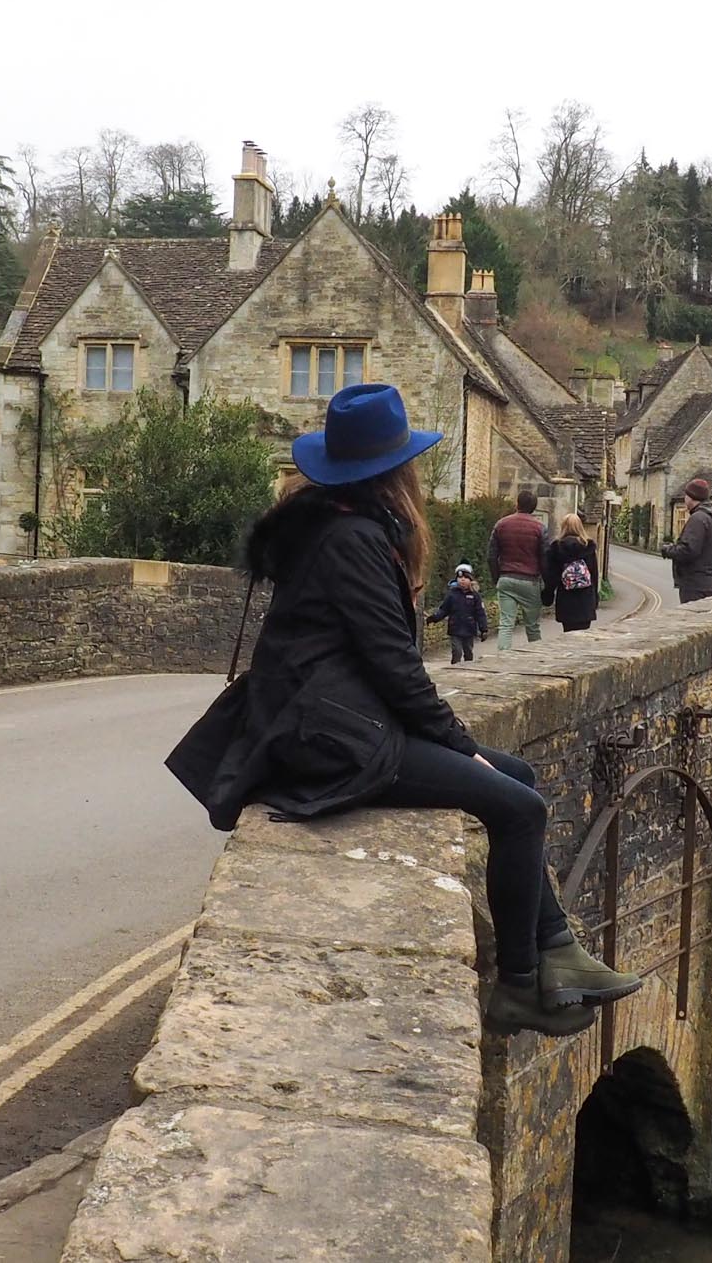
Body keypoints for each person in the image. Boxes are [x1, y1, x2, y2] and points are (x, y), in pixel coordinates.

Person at [166, 384, 639, 1038]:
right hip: (330, 736)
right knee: (518, 806)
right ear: (395, 471)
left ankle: (559, 953)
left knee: (519, 782)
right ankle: (522, 986)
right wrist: (458, 741)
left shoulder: (335, 525)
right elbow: (394, 666)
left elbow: (378, 663)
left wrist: (457, 744)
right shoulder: (354, 539)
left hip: (338, 719)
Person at [487, 489, 547, 649]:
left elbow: (491, 556)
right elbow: (544, 558)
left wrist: (497, 578)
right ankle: (537, 660)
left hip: (506, 578)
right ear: (534, 507)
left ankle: (503, 659)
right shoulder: (540, 527)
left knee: (506, 625)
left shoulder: (501, 524)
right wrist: (545, 583)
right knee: (533, 626)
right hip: (530, 581)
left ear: (517, 504)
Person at [660, 478, 712, 603]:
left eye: (686, 495)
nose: (684, 499)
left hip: (695, 585)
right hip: (709, 583)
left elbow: (688, 550)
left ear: (691, 497)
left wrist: (668, 550)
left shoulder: (698, 519)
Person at [544, 512, 600, 633]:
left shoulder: (556, 548)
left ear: (563, 527)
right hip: (585, 600)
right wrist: (595, 599)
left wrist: (547, 596)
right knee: (583, 637)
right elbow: (594, 575)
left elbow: (551, 576)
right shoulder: (588, 547)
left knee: (568, 635)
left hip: (566, 600)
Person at [427, 563, 488, 663]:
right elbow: (444, 610)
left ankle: (468, 669)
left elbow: (480, 613)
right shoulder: (452, 594)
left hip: (469, 628)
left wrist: (484, 629)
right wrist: (434, 618)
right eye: (460, 577)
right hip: (455, 628)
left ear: (470, 580)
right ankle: (454, 669)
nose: (462, 580)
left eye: (465, 577)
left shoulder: (475, 596)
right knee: (457, 651)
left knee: (468, 652)